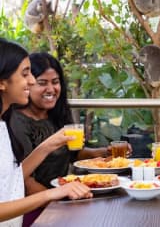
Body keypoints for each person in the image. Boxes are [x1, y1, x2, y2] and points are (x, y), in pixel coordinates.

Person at [0, 38, 92, 226]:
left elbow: (12, 178)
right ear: (2, 82)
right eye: (25, 74)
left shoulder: (3, 123)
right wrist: (52, 194)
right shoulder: (15, 121)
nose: (31, 81)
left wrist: (48, 145)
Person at [10, 52, 114, 195]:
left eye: (55, 82)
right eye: (42, 83)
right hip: (36, 204)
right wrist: (58, 203)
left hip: (64, 192)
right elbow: (24, 181)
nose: (51, 89)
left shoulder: (57, 113)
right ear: (29, 84)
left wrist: (104, 152)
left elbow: (73, 154)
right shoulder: (16, 121)